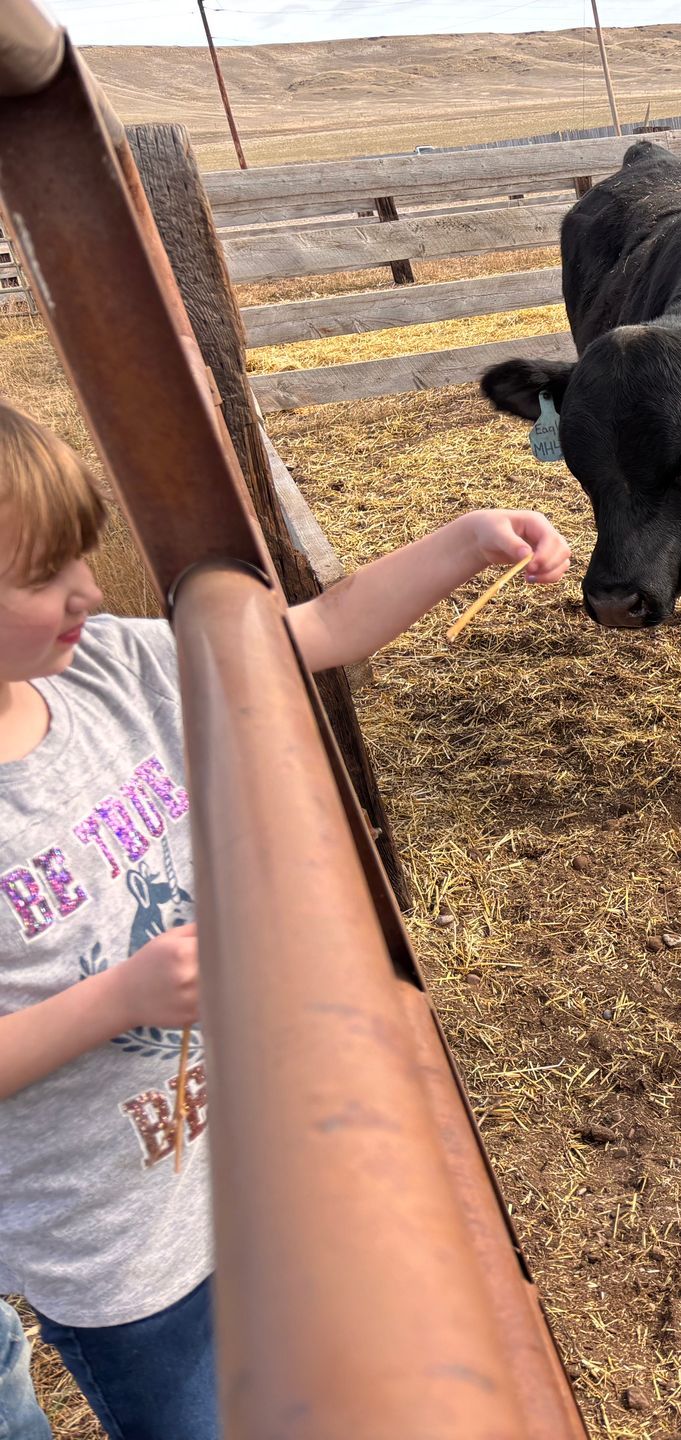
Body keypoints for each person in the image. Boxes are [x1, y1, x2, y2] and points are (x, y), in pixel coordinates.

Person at [0, 399, 570, 1440]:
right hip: (121, 1258)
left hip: (258, 1159)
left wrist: (464, 539)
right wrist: (117, 999)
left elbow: (308, 634)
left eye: (81, 557)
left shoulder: (111, 669)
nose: (89, 589)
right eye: (43, 576)